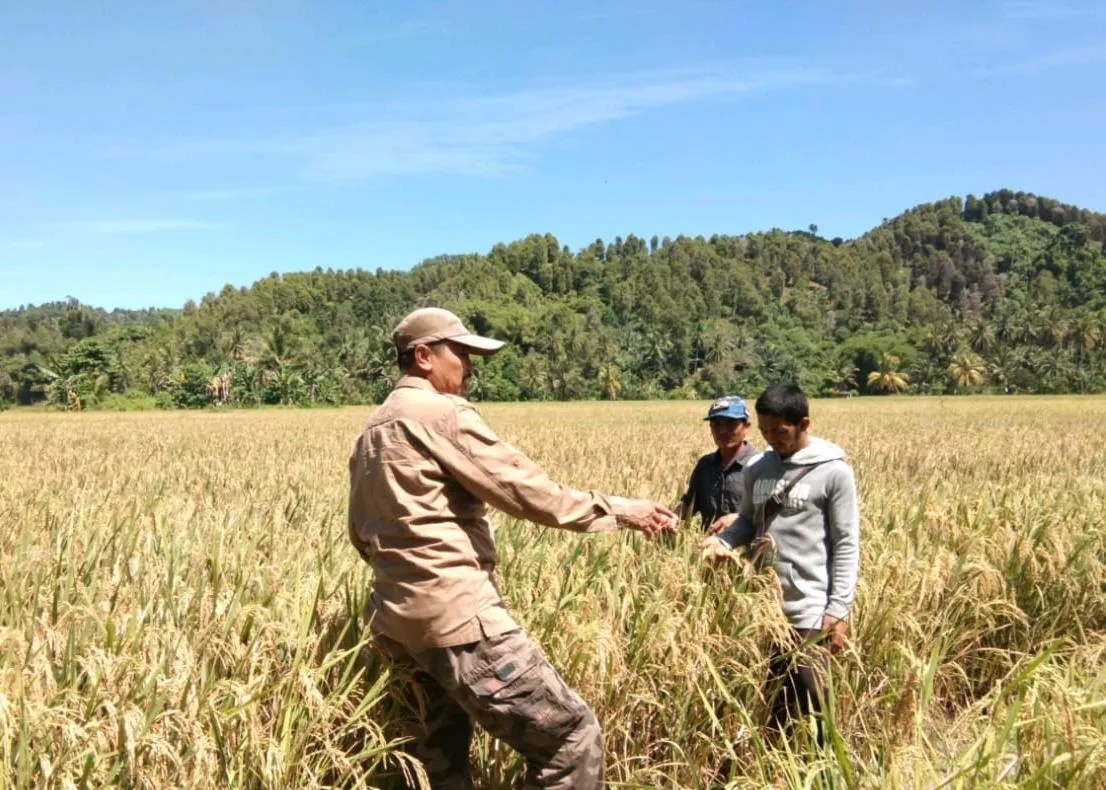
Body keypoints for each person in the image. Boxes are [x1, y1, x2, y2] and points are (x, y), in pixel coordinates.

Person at [348, 307, 677, 789]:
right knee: (570, 737)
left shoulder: (371, 430)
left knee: (439, 761)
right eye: (460, 353)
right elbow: (530, 493)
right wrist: (622, 511)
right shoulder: (444, 414)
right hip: (459, 617)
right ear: (423, 356)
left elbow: (361, 532)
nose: (470, 366)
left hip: (395, 624)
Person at [701, 383, 859, 741]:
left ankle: (824, 772)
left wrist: (839, 608)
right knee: (773, 702)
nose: (772, 439)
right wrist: (723, 542)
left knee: (815, 705)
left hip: (811, 610)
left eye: (780, 431)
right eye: (765, 431)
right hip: (766, 609)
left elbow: (847, 543)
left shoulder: (833, 472)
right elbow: (746, 520)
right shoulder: (757, 467)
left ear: (804, 423)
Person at [675, 395, 758, 532]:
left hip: (747, 549)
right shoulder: (705, 465)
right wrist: (670, 518)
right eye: (717, 424)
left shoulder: (760, 465)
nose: (722, 431)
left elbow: (771, 512)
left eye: (731, 424)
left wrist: (739, 519)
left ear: (746, 426)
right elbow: (690, 504)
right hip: (708, 547)